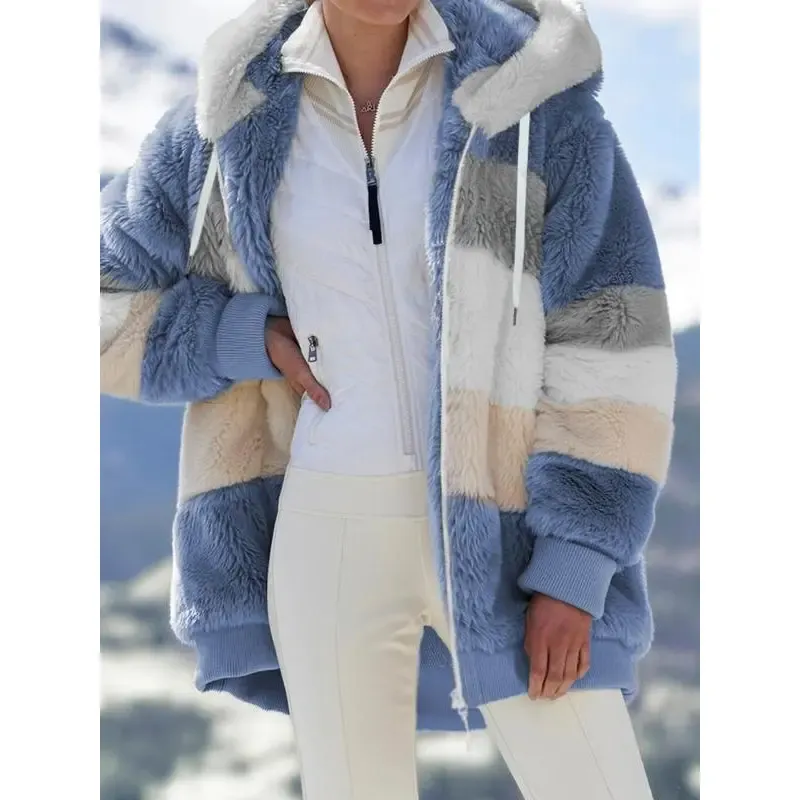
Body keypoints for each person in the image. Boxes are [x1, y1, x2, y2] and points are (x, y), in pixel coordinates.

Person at [100, 0, 678, 797]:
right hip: (327, 533)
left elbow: (614, 337)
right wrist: (237, 337)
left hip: (509, 533)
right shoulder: (224, 121)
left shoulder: (532, 96)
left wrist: (576, 562)